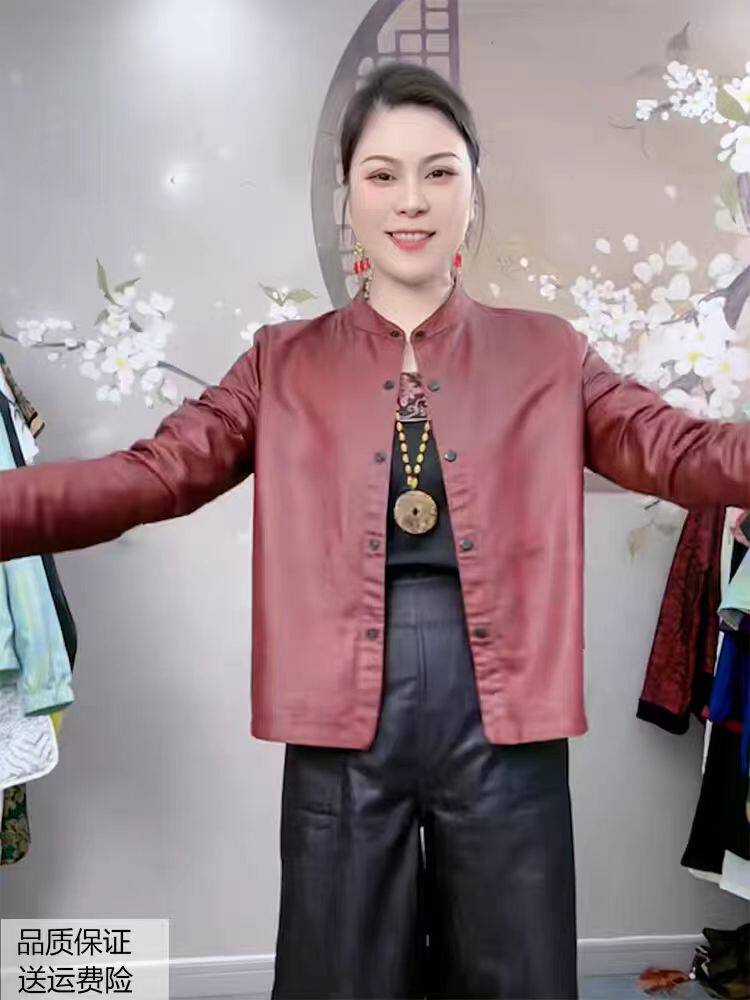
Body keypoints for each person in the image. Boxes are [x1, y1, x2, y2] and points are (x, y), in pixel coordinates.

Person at [2, 62, 750, 1000]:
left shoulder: (549, 351)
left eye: (439, 172)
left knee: (516, 971)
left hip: (505, 716)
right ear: (348, 195)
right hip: (339, 717)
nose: (412, 200)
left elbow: (678, 448)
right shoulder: (282, 362)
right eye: (383, 174)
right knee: (339, 973)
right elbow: (151, 474)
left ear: (473, 189)